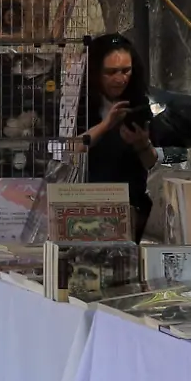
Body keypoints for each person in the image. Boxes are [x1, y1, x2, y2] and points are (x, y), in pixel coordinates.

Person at [82, 33, 156, 239]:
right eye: (111, 72)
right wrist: (106, 125)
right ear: (95, 73)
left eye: (126, 71)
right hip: (86, 207)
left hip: (129, 208)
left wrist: (142, 144)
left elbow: (151, 162)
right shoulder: (80, 106)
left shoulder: (138, 105)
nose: (120, 79)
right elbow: (68, 150)